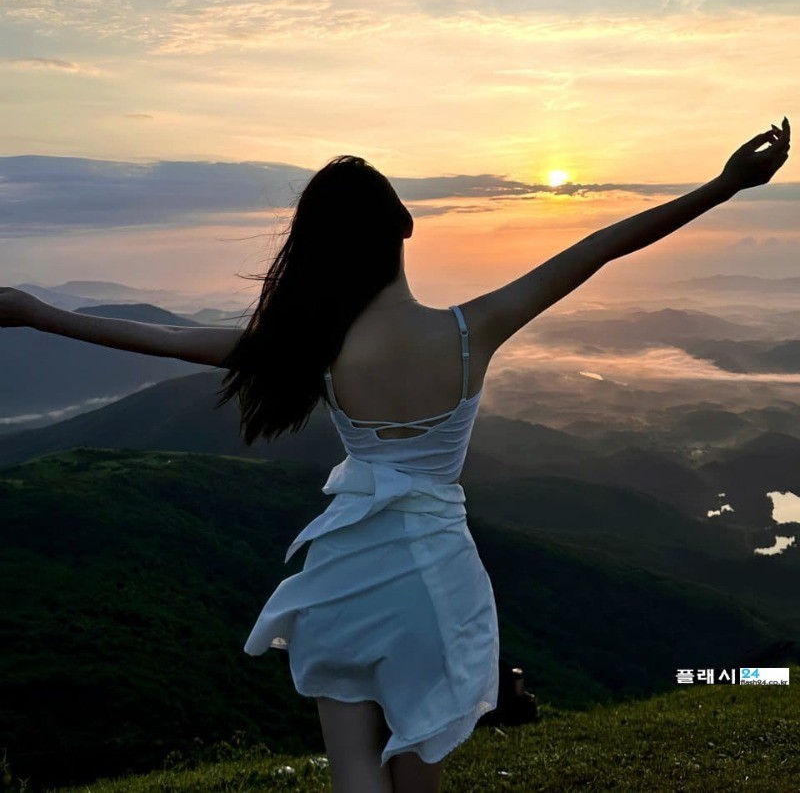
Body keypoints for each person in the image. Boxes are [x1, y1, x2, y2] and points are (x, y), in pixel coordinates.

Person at [0, 117, 790, 793]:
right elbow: (598, 249)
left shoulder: (318, 350)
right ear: (405, 223)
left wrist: (35, 312)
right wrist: (723, 187)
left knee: (352, 765)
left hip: (343, 568)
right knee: (421, 751)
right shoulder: (468, 330)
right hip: (439, 577)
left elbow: (168, 339)